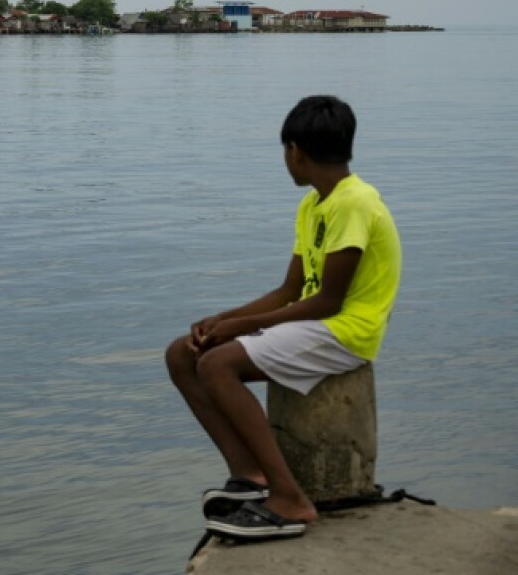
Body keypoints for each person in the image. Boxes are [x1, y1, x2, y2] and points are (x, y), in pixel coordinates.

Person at [164, 95, 401, 541]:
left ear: (295, 150)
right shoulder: (315, 205)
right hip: (315, 322)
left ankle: (289, 498)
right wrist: (223, 318)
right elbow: (291, 290)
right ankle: (249, 474)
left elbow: (329, 301)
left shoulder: (354, 203)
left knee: (218, 364)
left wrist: (239, 330)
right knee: (183, 353)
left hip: (348, 331)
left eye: (285, 153)